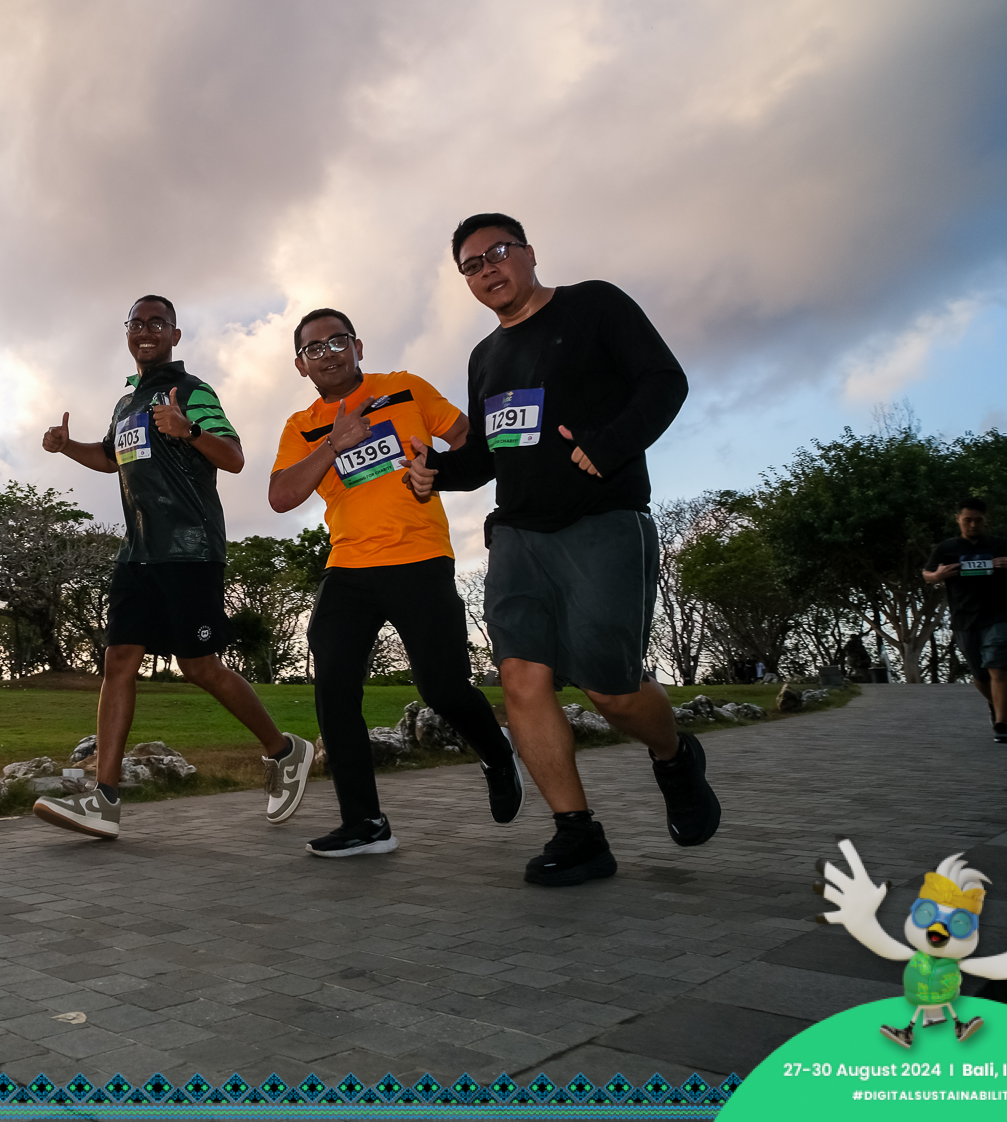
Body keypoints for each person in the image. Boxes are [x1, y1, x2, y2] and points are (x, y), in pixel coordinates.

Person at [404, 213, 720, 886]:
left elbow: (665, 381)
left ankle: (673, 756)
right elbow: (488, 454)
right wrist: (436, 470)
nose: (487, 269)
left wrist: (610, 443)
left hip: (601, 520)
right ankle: (578, 834)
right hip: (518, 534)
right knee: (521, 678)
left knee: (612, 691)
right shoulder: (484, 357)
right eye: (471, 265)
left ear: (528, 253)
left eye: (497, 252)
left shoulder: (595, 305)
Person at [35, 295, 313, 839]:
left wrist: (188, 430)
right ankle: (104, 801)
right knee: (119, 661)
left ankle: (283, 750)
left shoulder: (192, 391)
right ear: (127, 333)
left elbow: (234, 457)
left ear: (175, 335)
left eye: (157, 323)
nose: (145, 331)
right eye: (136, 323)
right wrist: (68, 447)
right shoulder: (125, 405)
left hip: (190, 550)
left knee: (200, 667)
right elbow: (110, 459)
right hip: (136, 554)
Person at [268, 308, 524, 857]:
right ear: (301, 365)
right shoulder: (301, 425)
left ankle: (497, 751)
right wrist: (333, 444)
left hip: (420, 557)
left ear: (358, 346)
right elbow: (281, 496)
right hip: (348, 567)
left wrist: (438, 470)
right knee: (334, 690)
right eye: (314, 348)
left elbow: (469, 439)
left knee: (443, 689)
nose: (329, 353)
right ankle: (365, 823)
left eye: (338, 341)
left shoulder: (405, 388)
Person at [924, 499, 1007, 741]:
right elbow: (927, 573)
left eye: (978, 520)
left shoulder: (1000, 545)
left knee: (999, 667)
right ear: (958, 519)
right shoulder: (946, 548)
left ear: (986, 520)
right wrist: (938, 575)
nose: (973, 525)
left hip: (999, 614)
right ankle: (995, 704)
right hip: (964, 618)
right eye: (968, 520)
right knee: (981, 675)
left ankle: (1002, 725)